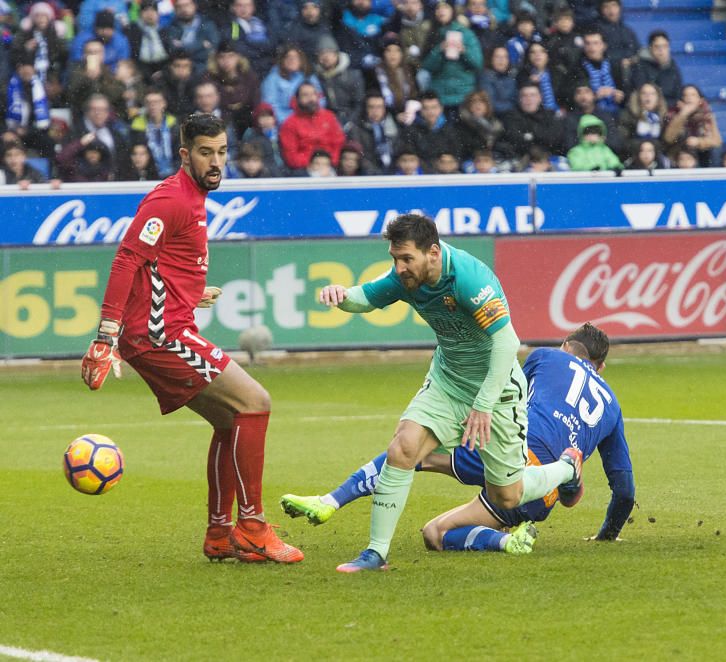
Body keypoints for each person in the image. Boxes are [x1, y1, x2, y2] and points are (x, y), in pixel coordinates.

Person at [80, 113, 303, 564]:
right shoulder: (172, 199)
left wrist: (188, 292)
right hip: (159, 335)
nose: (216, 161)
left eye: (222, 152)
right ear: (185, 155)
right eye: (206, 153)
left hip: (162, 327)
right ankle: (254, 527)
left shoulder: (194, 197)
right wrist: (106, 336)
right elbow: (127, 259)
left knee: (229, 420)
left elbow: (157, 265)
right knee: (255, 402)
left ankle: (221, 534)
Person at [309, 214, 583, 571]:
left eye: (406, 258)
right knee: (403, 447)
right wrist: (342, 296)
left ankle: (565, 469)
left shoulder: (469, 278)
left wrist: (483, 405)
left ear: (433, 253)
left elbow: (506, 342)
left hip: (495, 391)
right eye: (395, 258)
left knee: (508, 494)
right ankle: (376, 553)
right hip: (447, 382)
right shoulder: (405, 278)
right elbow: (367, 298)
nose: (399, 267)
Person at [281, 324, 636, 554]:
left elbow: (505, 394)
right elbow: (624, 489)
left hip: (510, 453)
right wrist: (607, 534)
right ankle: (506, 538)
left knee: (412, 454)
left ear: (564, 344)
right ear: (601, 367)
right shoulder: (613, 406)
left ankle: (332, 499)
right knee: (436, 533)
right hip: (542, 495)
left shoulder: (545, 356)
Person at [663, 84, 722, 167]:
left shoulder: (707, 115)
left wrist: (699, 142)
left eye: (693, 95)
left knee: (715, 150)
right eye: (685, 95)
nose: (689, 98)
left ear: (700, 100)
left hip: (698, 153)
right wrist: (684, 113)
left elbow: (717, 141)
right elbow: (668, 138)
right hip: (677, 153)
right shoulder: (672, 113)